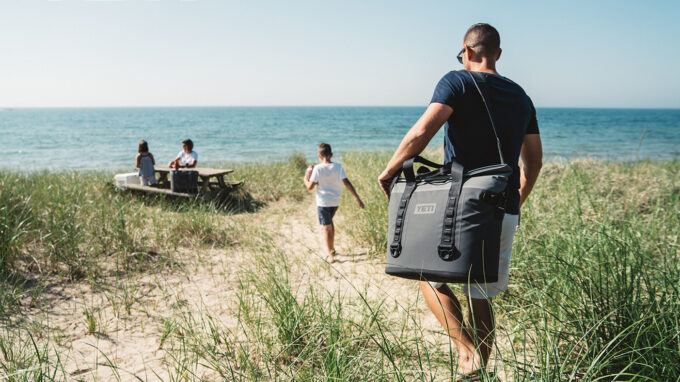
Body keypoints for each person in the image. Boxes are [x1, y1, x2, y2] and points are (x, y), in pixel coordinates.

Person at [377, 23, 543, 378]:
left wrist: (389, 171)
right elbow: (534, 161)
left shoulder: (456, 81)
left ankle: (466, 352)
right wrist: (518, 198)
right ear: (497, 54)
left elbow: (423, 130)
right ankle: (479, 367)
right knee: (479, 292)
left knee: (428, 275)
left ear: (467, 52)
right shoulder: (522, 97)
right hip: (503, 207)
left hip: (458, 206)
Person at [303, 143, 365, 263]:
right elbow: (347, 183)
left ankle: (331, 255)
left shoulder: (317, 168)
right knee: (330, 223)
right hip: (335, 202)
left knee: (326, 228)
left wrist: (305, 178)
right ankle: (332, 248)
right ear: (331, 154)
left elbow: (310, 187)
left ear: (319, 156)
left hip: (323, 202)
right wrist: (357, 197)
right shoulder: (338, 167)